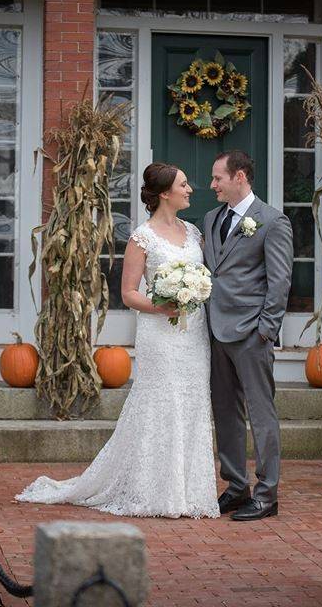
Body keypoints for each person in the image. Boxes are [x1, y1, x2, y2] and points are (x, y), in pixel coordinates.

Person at [16, 162, 219, 518]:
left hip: (194, 334)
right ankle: (155, 492)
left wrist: (192, 295)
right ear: (163, 194)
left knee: (191, 404)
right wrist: (162, 306)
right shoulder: (142, 237)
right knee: (161, 404)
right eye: (184, 185)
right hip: (161, 334)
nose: (190, 190)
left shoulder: (194, 233)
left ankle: (189, 493)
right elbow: (128, 294)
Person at [202, 150, 293, 521]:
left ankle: (267, 493)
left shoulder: (272, 221)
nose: (212, 185)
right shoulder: (211, 219)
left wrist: (266, 330)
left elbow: (280, 280)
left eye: (218, 178)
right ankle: (237, 487)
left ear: (239, 177)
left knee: (261, 414)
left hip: (252, 334)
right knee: (225, 413)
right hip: (215, 331)